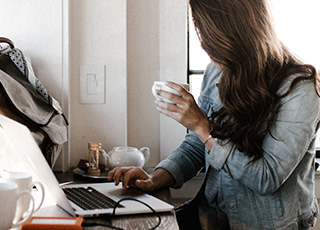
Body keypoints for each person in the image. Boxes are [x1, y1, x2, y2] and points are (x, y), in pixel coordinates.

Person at [108, 0, 320, 229]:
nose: (205, 47)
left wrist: (201, 124)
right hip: (211, 218)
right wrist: (155, 178)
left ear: (234, 31)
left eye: (208, 36)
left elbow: (266, 177)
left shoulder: (301, 89)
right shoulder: (218, 71)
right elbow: (197, 146)